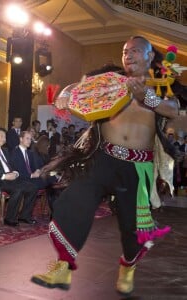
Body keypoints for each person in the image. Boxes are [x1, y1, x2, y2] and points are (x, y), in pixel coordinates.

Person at [31, 36, 179, 295]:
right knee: (73, 200)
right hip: (103, 158)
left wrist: (147, 97)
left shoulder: (161, 85)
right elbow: (77, 87)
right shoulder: (108, 80)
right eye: (125, 51)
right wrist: (65, 94)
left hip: (137, 167)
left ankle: (127, 267)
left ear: (150, 56)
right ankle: (63, 267)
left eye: (135, 51)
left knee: (134, 228)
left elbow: (173, 110)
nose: (128, 55)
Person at [0, 127, 38, 226]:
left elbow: (13, 166)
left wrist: (16, 173)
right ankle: (10, 218)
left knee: (32, 187)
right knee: (18, 189)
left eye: (5, 137)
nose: (4, 139)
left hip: (10, 178)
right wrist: (4, 176)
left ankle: (24, 216)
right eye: (1, 136)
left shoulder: (6, 150)